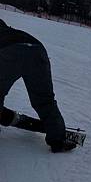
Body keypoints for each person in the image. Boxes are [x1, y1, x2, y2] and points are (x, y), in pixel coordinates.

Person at [0, 18, 76, 152]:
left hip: (10, 51)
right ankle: (58, 139)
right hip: (37, 50)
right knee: (44, 100)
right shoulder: (10, 31)